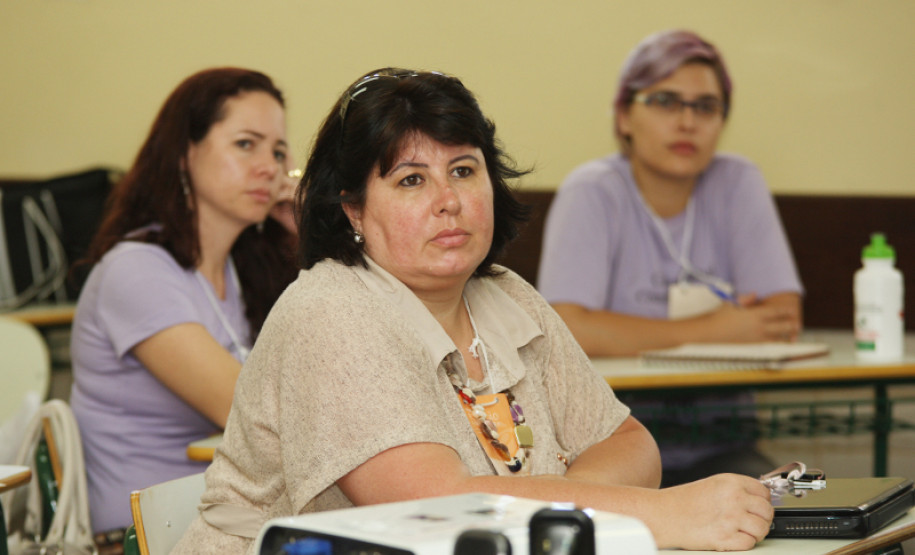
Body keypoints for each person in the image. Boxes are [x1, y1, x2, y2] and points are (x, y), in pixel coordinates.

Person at [173, 67, 773, 553]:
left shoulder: (506, 294)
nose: (449, 201)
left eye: (463, 170)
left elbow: (629, 443)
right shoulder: (330, 310)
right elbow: (436, 510)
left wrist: (567, 509)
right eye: (411, 180)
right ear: (353, 209)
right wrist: (649, 515)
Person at [537, 30, 804, 485]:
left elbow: (780, 318)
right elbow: (569, 329)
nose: (687, 122)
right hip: (606, 444)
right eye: (665, 101)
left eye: (706, 106)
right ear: (624, 116)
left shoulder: (738, 182)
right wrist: (716, 330)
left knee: (779, 508)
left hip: (720, 442)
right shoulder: (593, 191)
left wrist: (621, 332)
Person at [68, 67, 298, 538]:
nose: (269, 167)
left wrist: (310, 237)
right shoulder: (136, 270)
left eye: (278, 152)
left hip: (229, 522)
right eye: (246, 144)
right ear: (183, 154)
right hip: (142, 538)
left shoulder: (245, 270)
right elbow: (252, 417)